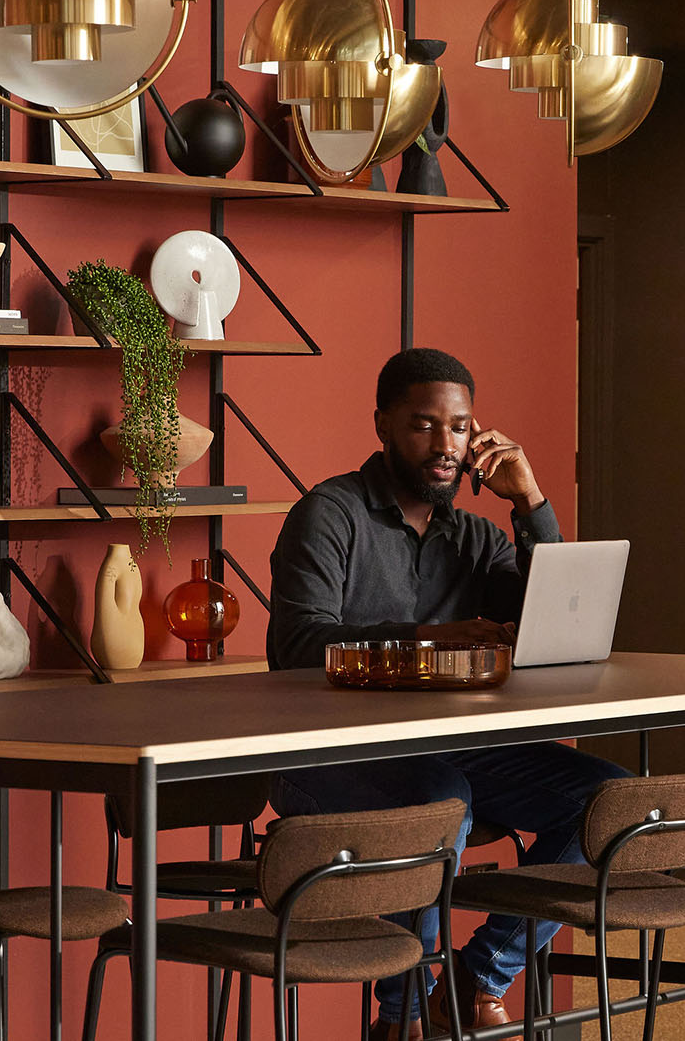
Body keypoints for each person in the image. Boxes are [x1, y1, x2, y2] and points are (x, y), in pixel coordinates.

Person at [267, 346, 626, 1040]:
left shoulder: (476, 535)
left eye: (459, 428)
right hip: (329, 755)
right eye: (424, 425)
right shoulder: (330, 513)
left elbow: (548, 621)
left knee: (604, 798)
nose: (444, 446)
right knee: (440, 795)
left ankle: (474, 978)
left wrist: (530, 499)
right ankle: (402, 1017)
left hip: (454, 751)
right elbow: (297, 649)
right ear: (382, 425)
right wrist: (435, 638)